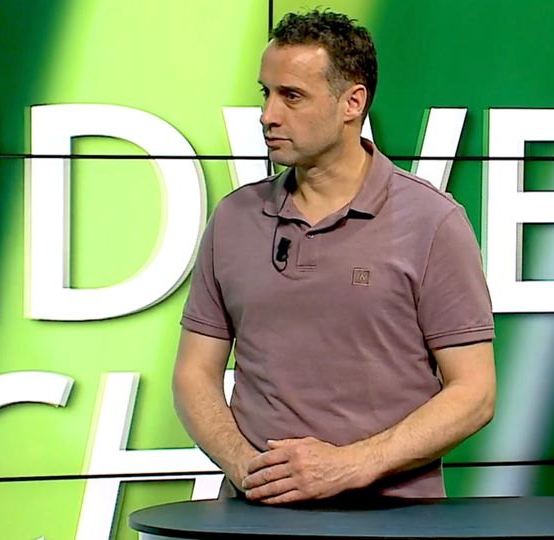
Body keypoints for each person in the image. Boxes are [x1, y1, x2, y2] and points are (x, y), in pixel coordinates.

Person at [173, 9, 495, 505]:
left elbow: (474, 393)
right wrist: (245, 467)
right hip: (254, 518)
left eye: (292, 96)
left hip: (393, 520)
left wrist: (347, 467)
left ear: (352, 102)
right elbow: (194, 373)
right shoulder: (234, 218)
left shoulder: (432, 221)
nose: (268, 115)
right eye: (266, 93)